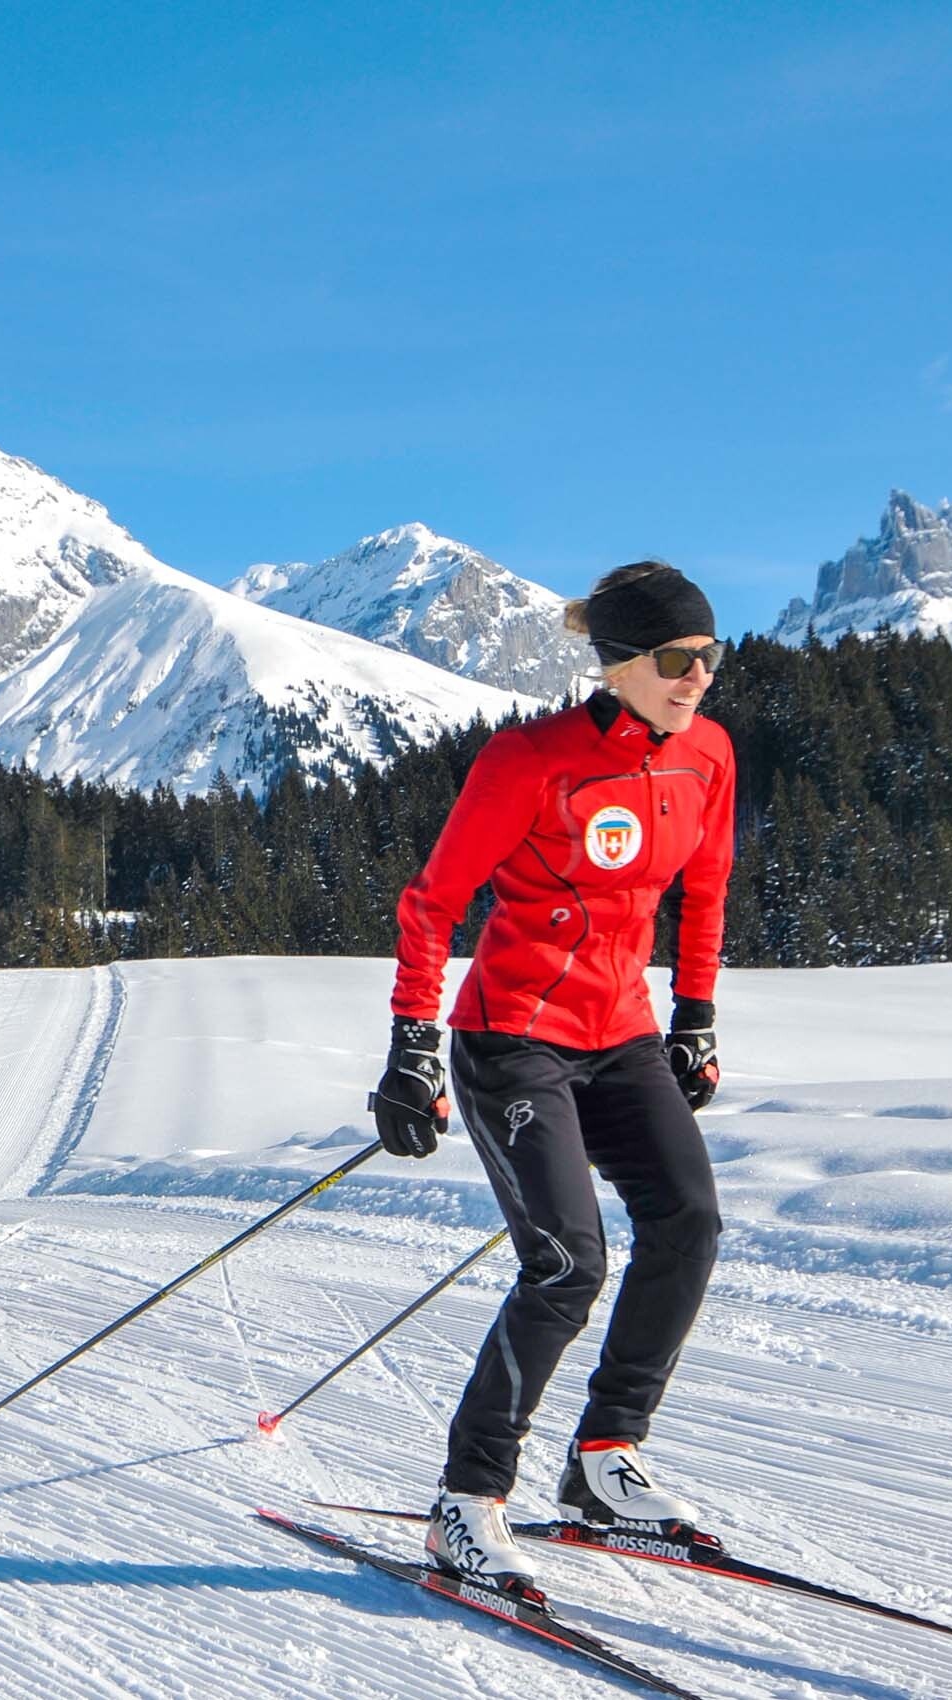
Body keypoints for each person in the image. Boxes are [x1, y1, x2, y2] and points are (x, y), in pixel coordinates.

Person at [372, 560, 735, 1589]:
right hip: (516, 1036)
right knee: (569, 1262)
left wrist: (696, 1016)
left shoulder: (707, 754)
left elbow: (703, 892)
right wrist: (413, 1046)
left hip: (621, 1031)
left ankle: (605, 1458)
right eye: (676, 658)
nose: (697, 677)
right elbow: (432, 903)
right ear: (620, 664)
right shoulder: (530, 760)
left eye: (711, 656)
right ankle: (466, 1500)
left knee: (688, 1219)